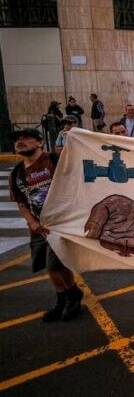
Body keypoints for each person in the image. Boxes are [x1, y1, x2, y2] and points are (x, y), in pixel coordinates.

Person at [10, 128, 83, 322]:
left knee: (53, 265)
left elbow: (78, 174)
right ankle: (67, 296)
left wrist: (75, 140)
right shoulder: (17, 173)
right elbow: (21, 202)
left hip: (60, 224)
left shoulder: (53, 160)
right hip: (38, 228)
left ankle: (69, 298)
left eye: (26, 138)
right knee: (50, 266)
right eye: (17, 139)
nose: (20, 142)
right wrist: (32, 222)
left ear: (39, 142)